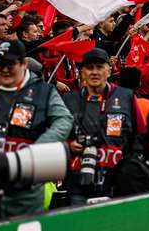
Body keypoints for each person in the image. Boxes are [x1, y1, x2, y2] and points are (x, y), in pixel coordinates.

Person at [0, 39, 73, 218]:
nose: (4, 69)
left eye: (10, 64)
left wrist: (36, 150)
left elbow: (64, 120)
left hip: (26, 186)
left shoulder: (44, 91)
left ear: (24, 64)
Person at [60, 48, 144, 204]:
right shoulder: (69, 100)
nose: (94, 72)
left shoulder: (126, 96)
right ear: (82, 72)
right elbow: (56, 136)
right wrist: (68, 146)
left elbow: (140, 134)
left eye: (99, 67)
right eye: (89, 68)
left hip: (117, 182)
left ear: (109, 69)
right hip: (78, 181)